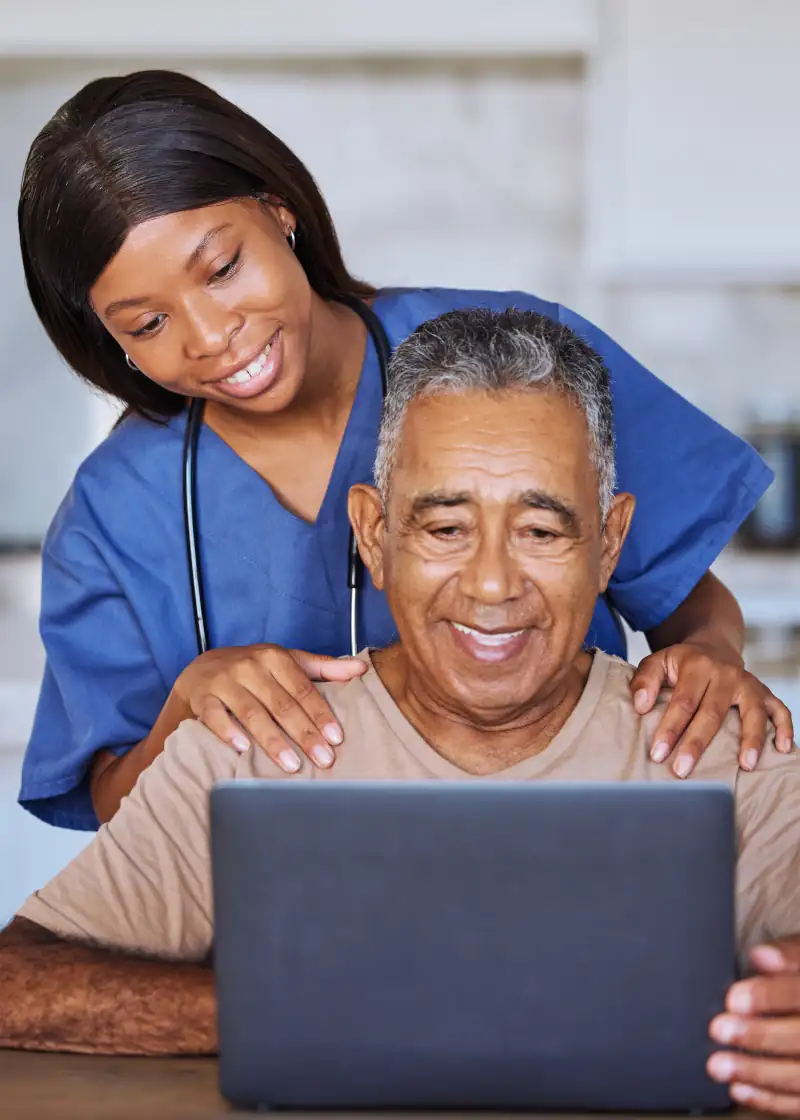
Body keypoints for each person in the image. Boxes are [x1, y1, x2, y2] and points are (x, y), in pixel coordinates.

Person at [2, 308, 800, 1113]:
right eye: (446, 527)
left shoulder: (720, 744)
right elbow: (16, 984)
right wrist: (300, 1016)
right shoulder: (253, 748)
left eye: (540, 530)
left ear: (611, 543)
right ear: (374, 536)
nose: (492, 585)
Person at [17, 70, 792, 833]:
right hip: (283, 918)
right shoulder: (111, 511)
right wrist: (182, 714)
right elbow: (111, 800)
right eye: (146, 325)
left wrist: (712, 655)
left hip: (568, 852)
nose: (211, 336)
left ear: (278, 209)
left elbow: (686, 600)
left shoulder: (521, 362)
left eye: (222, 269)